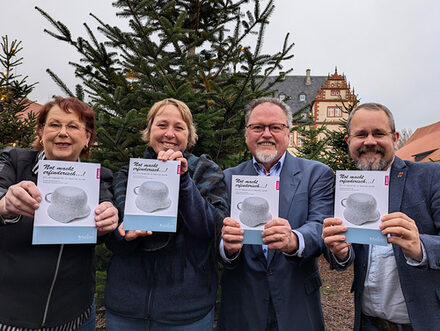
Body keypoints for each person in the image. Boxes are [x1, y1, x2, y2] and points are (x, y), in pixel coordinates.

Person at [104, 98, 229, 330]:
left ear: (189, 135)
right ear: (149, 130)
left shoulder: (206, 171)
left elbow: (208, 230)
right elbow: (114, 240)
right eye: (162, 125)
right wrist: (122, 236)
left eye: (179, 127)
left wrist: (183, 180)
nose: (169, 134)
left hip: (187, 312)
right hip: (126, 311)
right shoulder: (129, 173)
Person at [0, 96, 118, 330]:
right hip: (8, 316)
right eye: (54, 125)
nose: (63, 133)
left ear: (87, 138)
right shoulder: (13, 161)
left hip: (74, 317)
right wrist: (4, 205)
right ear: (42, 131)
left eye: (73, 126)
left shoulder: (99, 177)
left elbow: (103, 225)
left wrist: (109, 218)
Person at [218, 97, 334, 331]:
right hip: (242, 304)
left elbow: (320, 223)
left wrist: (294, 240)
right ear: (247, 133)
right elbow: (213, 234)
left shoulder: (316, 174)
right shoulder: (227, 178)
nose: (266, 134)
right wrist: (226, 247)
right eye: (258, 127)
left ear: (288, 133)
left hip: (297, 301)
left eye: (275, 127)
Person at [322, 103, 440, 331]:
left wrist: (420, 247)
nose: (369, 141)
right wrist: (340, 252)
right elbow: (340, 258)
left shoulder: (431, 176)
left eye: (378, 133)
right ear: (349, 142)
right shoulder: (346, 189)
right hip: (369, 324)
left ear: (394, 138)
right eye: (360, 134)